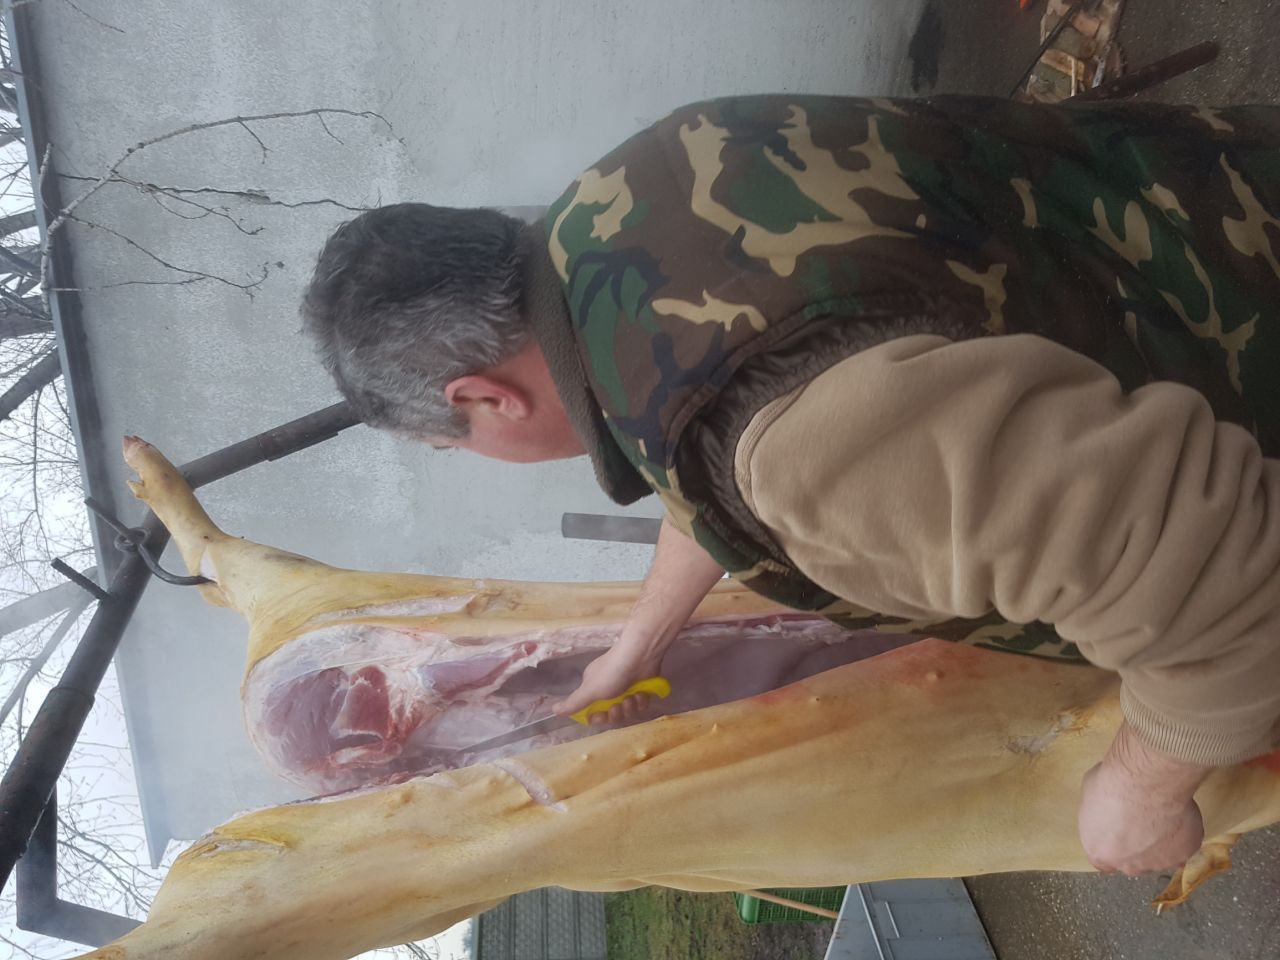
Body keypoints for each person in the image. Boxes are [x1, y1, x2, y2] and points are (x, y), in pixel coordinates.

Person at [301, 94, 1280, 878]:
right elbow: (717, 412)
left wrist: (1139, 791)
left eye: (454, 444)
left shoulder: (795, 454)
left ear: (483, 398)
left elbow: (1231, 592)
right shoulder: (646, 180)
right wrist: (638, 646)